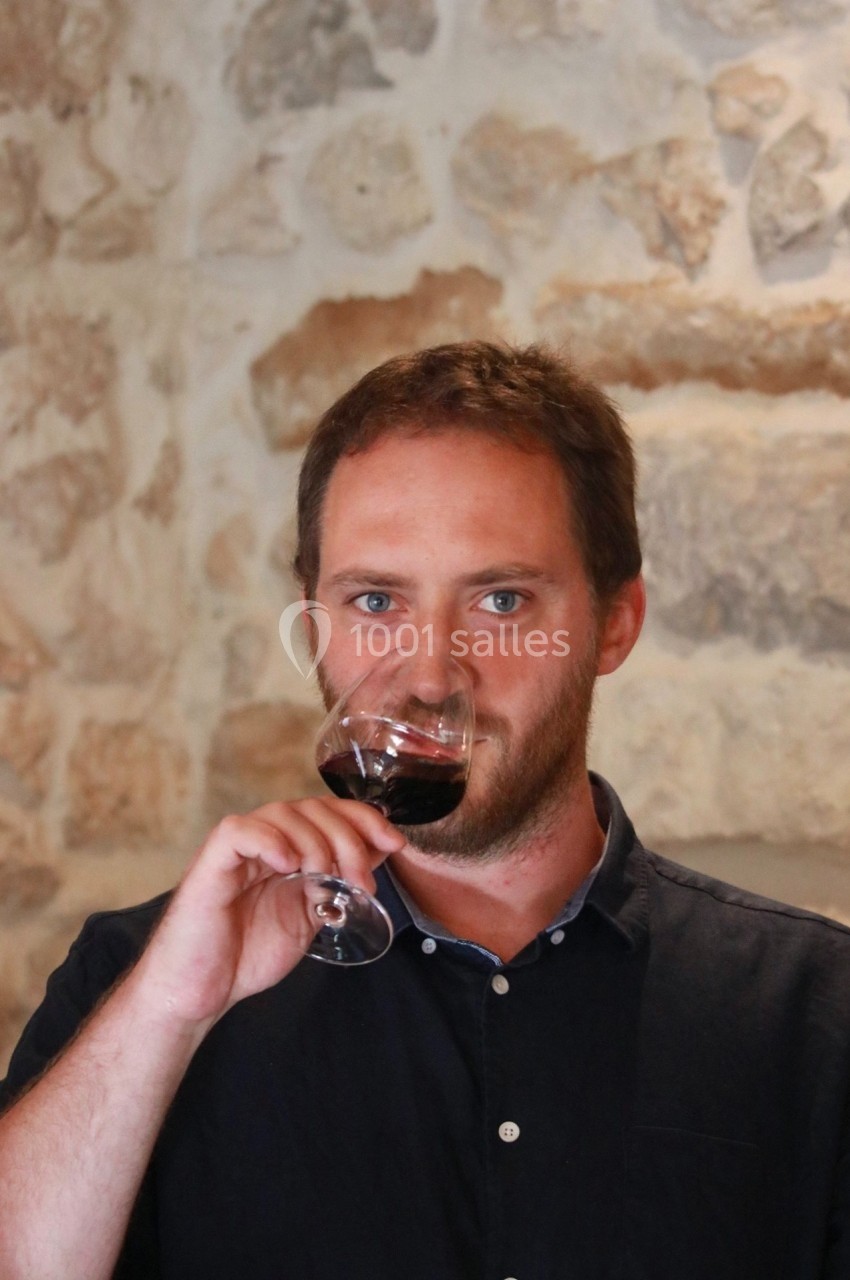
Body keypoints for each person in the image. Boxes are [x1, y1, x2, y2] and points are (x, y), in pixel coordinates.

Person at [0, 341, 848, 1280]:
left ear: (615, 622)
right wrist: (166, 1014)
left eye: (500, 600)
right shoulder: (139, 983)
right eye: (375, 600)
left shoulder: (815, 1010)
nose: (432, 675)